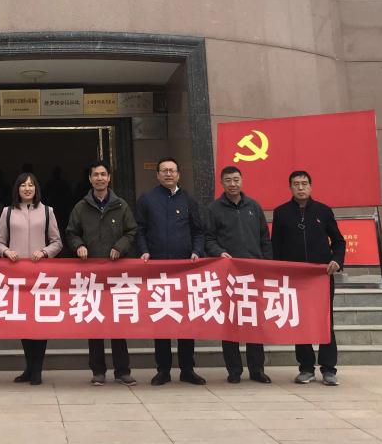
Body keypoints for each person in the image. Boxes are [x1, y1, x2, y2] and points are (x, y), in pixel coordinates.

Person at [66, 159, 138, 386]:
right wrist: (78, 245)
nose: (99, 178)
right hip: (91, 274)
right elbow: (71, 232)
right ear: (90, 179)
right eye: (95, 175)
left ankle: (122, 370)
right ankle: (98, 371)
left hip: (116, 273)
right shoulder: (81, 207)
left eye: (103, 174)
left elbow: (132, 231)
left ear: (109, 178)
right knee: (94, 321)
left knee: (117, 322)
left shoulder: (121, 205)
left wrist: (120, 246)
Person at [271, 170, 346, 386]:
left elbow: (339, 241)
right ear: (290, 187)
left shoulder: (323, 211)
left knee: (325, 321)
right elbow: (276, 246)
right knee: (300, 322)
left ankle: (329, 369)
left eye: (304, 183)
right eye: (296, 184)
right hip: (295, 278)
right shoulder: (281, 213)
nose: (301, 187)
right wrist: (277, 273)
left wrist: (336, 260)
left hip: (321, 277)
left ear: (310, 186)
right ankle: (306, 368)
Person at [135, 158, 207, 386]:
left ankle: (187, 369)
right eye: (164, 171)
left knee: (186, 321)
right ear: (157, 175)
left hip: (184, 271)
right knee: (161, 320)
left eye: (172, 171)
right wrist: (144, 251)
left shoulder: (188, 200)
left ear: (178, 174)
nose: (168, 174)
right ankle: (163, 370)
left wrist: (196, 251)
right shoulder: (147, 199)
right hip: (157, 270)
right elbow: (139, 230)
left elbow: (198, 231)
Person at [204, 166, 273, 384]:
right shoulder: (213, 209)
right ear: (221, 183)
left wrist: (267, 265)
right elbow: (208, 239)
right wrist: (219, 252)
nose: (232, 184)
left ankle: (257, 369)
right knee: (230, 323)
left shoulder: (254, 206)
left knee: (254, 324)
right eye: (228, 180)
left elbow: (264, 238)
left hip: (254, 274)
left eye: (236, 179)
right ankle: (234, 370)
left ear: (241, 181)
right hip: (229, 275)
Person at [0, 171, 63, 385]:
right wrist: (6, 252)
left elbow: (57, 242)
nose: (27, 188)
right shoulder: (7, 212)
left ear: (36, 188)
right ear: (17, 188)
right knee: (23, 322)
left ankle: (37, 369)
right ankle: (29, 367)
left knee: (40, 322)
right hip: (17, 277)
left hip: (41, 277)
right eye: (23, 185)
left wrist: (44, 252)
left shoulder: (48, 211)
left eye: (31, 185)